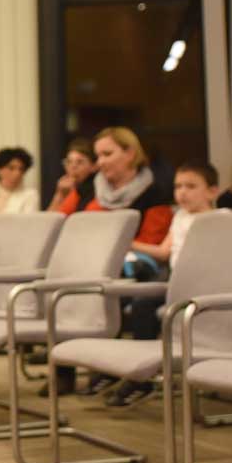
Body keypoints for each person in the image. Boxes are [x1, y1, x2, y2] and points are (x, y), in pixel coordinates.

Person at [53, 127, 174, 398]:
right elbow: (59, 223)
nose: (100, 162)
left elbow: (151, 243)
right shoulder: (88, 188)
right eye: (98, 156)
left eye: (107, 154)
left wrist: (111, 247)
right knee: (63, 283)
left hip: (134, 268)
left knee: (102, 290)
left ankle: (114, 371)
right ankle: (67, 373)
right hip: (87, 263)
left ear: (130, 154)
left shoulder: (154, 192)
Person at [106, 160, 223, 406]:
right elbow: (163, 251)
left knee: (143, 304)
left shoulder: (221, 218)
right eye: (178, 186)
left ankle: (142, 378)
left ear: (212, 191)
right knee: (129, 298)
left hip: (203, 283)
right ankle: (122, 369)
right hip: (174, 278)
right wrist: (127, 242)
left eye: (191, 186)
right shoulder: (180, 216)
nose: (182, 192)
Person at [46, 138, 96, 211]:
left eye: (80, 162)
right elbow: (50, 217)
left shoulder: (98, 189)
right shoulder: (67, 189)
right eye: (69, 162)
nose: (73, 167)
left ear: (93, 166)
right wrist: (60, 194)